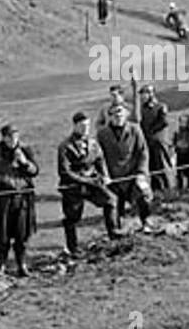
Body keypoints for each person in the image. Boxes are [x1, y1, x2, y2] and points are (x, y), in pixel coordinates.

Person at [0, 123, 39, 277]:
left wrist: (25, 163)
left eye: (16, 137)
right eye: (10, 137)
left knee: (22, 234)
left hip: (22, 199)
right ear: (4, 138)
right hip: (2, 201)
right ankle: (1, 264)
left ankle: (22, 264)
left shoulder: (25, 150)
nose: (14, 140)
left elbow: (35, 171)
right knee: (2, 234)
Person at [57, 112, 120, 255]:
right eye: (82, 126)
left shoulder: (93, 143)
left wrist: (105, 176)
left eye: (87, 125)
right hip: (72, 186)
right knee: (72, 218)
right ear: (74, 126)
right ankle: (73, 248)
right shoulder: (65, 146)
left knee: (111, 200)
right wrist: (87, 180)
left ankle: (114, 233)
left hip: (92, 183)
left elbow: (100, 160)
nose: (85, 129)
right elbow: (64, 172)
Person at [98, 102, 153, 233]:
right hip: (112, 178)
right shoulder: (102, 134)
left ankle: (146, 222)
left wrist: (141, 173)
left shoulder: (135, 129)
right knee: (112, 204)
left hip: (133, 174)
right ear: (110, 117)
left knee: (143, 195)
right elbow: (99, 158)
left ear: (126, 115)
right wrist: (104, 175)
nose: (118, 117)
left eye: (121, 114)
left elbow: (143, 152)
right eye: (115, 114)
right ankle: (115, 231)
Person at [138, 85, 174, 192]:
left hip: (159, 142)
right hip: (147, 142)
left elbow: (163, 122)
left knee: (163, 166)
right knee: (152, 168)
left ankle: (169, 190)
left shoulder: (160, 106)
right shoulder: (142, 109)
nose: (142, 97)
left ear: (150, 94)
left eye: (144, 94)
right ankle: (157, 190)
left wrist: (150, 131)